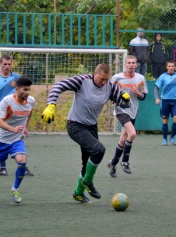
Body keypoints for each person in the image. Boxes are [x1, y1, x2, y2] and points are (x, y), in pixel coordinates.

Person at [41, 63, 130, 204]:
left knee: (86, 162)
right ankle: (88, 182)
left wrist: (126, 100)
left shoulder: (110, 86)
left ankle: (78, 193)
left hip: (91, 127)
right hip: (75, 125)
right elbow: (58, 86)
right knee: (99, 150)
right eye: (101, 79)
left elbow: (121, 103)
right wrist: (51, 105)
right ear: (95, 73)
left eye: (107, 80)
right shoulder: (82, 80)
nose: (104, 82)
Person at [0, 76, 35, 204]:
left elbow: (30, 111)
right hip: (2, 139)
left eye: (29, 90)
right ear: (17, 89)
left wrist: (26, 127)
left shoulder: (31, 100)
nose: (27, 93)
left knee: (22, 161)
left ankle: (15, 189)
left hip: (17, 140)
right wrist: (13, 129)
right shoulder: (7, 101)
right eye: (25, 90)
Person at [0, 55, 34, 176]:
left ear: (12, 64)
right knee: (2, 139)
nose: (7, 66)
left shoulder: (17, 78)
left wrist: (26, 125)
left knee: (18, 138)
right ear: (0, 64)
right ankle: (3, 168)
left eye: (9, 64)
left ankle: (23, 165)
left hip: (15, 115)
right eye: (4, 64)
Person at [107, 55, 148, 178]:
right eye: (129, 62)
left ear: (136, 65)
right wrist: (114, 99)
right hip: (121, 109)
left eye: (133, 63)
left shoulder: (140, 78)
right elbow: (108, 91)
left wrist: (138, 93)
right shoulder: (117, 78)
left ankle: (113, 163)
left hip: (133, 110)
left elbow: (144, 97)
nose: (131, 65)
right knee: (133, 134)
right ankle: (124, 161)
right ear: (125, 64)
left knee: (123, 139)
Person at [154, 60, 176, 146]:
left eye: (173, 66)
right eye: (169, 66)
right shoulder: (162, 77)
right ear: (167, 67)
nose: (171, 67)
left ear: (175, 67)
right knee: (165, 120)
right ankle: (164, 139)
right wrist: (156, 98)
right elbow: (156, 88)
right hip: (165, 101)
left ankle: (172, 137)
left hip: (175, 101)